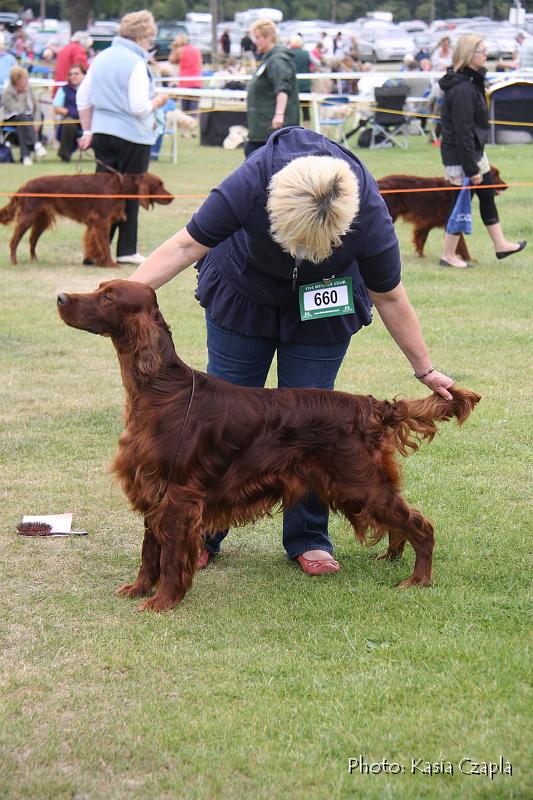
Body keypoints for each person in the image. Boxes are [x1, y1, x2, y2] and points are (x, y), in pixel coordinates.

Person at [126, 125, 455, 575]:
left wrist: (425, 370)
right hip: (245, 292)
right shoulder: (249, 181)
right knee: (222, 417)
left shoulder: (370, 213)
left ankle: (308, 537)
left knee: (315, 423)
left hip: (324, 301)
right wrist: (123, 297)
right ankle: (201, 533)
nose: (301, 252)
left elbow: (391, 296)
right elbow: (184, 245)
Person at [76, 10, 169, 266]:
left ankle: (95, 250)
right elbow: (139, 107)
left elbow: (82, 98)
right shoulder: (136, 63)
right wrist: (158, 100)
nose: (150, 44)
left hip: (102, 134)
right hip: (133, 137)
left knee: (103, 195)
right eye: (150, 38)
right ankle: (125, 249)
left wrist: (87, 131)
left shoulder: (101, 58)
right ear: (141, 37)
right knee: (130, 193)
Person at [439, 35, 527, 268]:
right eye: (482, 49)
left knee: (487, 194)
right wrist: (471, 168)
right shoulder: (462, 88)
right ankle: (448, 254)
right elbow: (462, 131)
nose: (486, 53)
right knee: (461, 203)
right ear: (470, 54)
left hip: (475, 151)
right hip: (463, 156)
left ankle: (500, 245)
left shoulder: (471, 81)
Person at [245, 18, 299, 156]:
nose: (255, 41)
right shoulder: (268, 59)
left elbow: (283, 88)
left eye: (258, 37)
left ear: (269, 37)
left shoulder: (277, 60)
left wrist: (279, 114)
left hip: (273, 128)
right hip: (263, 128)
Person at [2, 65, 46, 165]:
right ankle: (36, 144)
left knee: (23, 123)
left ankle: (25, 156)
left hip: (27, 120)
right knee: (22, 118)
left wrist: (37, 121)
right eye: (23, 79)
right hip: (11, 120)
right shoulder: (7, 92)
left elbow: (36, 107)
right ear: (16, 81)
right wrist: (21, 94)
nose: (26, 81)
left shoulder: (28, 88)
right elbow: (15, 110)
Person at [53, 63, 85, 162]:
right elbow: (57, 108)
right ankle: (65, 155)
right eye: (71, 74)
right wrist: (70, 112)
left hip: (88, 121)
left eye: (76, 73)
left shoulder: (90, 88)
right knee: (68, 123)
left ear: (84, 75)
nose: (73, 76)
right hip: (71, 120)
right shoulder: (64, 89)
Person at [168, 33, 202, 113]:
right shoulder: (196, 49)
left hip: (185, 83)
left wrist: (174, 48)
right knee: (194, 111)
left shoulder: (179, 50)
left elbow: (171, 60)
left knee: (185, 111)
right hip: (197, 82)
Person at [53, 31, 92, 96]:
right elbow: (82, 67)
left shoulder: (66, 47)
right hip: (68, 88)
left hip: (60, 85)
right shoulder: (78, 49)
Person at [288, 34, 312, 126]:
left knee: (293, 111)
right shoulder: (306, 53)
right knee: (305, 110)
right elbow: (317, 63)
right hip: (305, 85)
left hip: (292, 86)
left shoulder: (288, 54)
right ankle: (306, 130)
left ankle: (293, 129)